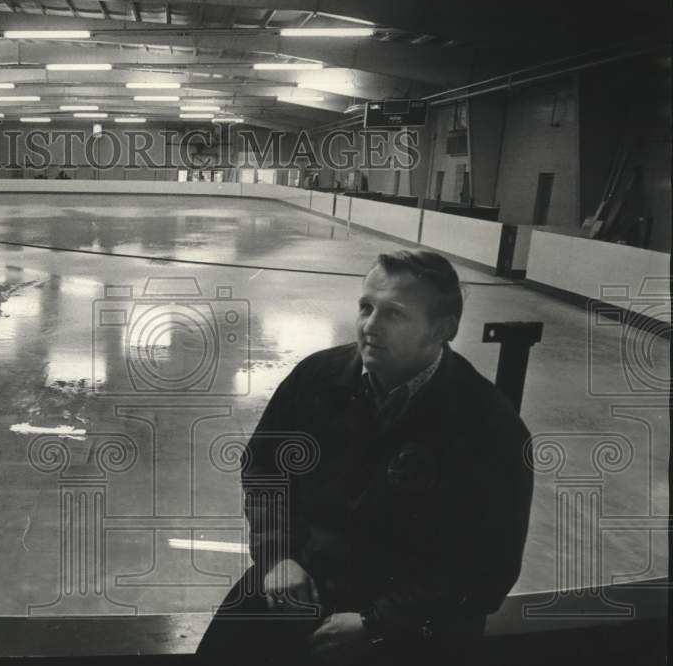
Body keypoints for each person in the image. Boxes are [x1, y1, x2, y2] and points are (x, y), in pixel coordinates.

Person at [197, 250, 533, 665]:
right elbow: (264, 468)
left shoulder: (488, 425)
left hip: (412, 619)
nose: (369, 326)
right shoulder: (316, 378)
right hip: (300, 582)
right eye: (366, 307)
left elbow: (488, 567)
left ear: (442, 329)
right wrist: (277, 557)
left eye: (394, 314)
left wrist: (380, 625)